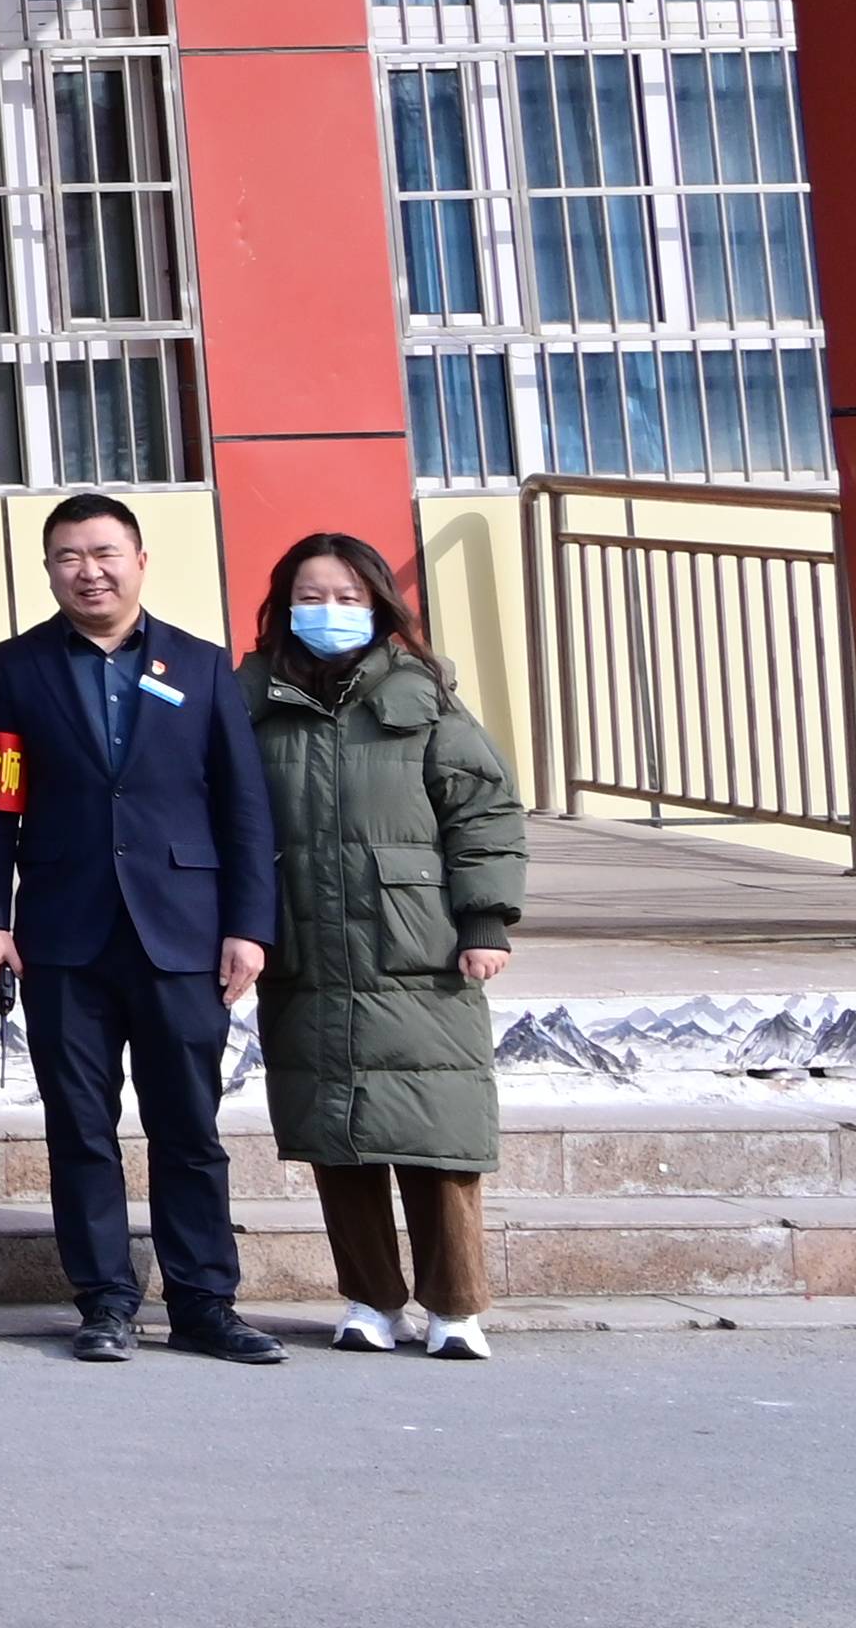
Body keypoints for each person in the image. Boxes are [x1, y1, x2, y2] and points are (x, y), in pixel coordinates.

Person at [0, 491, 286, 1367]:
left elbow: (244, 807)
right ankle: (105, 1299)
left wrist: (249, 926)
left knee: (188, 1126)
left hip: (181, 931)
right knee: (80, 1126)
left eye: (106, 553)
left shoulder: (202, 665)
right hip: (63, 932)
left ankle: (204, 1302)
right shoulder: (16, 669)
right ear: (48, 570)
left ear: (141, 561)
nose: (90, 572)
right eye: (69, 557)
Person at [243, 533, 525, 1362]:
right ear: (283, 605)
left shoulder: (421, 696)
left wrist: (484, 920)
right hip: (306, 944)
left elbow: (482, 811)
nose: (327, 612)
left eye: (346, 597)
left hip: (416, 946)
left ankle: (456, 1306)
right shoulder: (253, 696)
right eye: (310, 597)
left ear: (378, 606)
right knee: (338, 1135)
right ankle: (369, 1298)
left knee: (438, 1135)